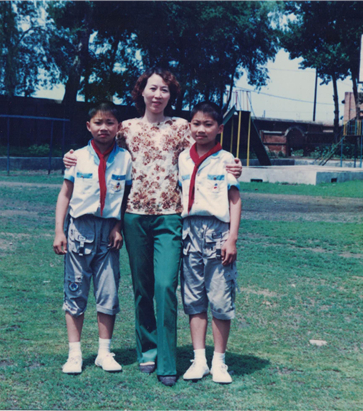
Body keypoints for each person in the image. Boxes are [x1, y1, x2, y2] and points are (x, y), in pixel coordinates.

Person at [64, 68, 242, 386]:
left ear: (170, 96)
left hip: (171, 217)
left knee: (164, 286)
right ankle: (148, 351)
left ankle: (168, 361)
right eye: (152, 89)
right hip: (133, 217)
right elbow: (99, 143)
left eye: (164, 90)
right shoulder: (125, 129)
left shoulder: (183, 128)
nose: (158, 95)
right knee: (143, 289)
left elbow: (209, 145)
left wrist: (236, 164)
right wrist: (71, 157)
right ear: (142, 92)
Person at [53, 102, 132, 375]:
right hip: (80, 230)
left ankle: (104, 352)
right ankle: (74, 354)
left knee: (108, 292)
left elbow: (125, 198)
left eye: (110, 122)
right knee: (75, 290)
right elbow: (65, 194)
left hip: (108, 232)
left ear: (118, 127)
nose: (104, 127)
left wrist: (118, 226)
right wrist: (59, 231)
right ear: (89, 126)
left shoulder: (125, 159)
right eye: (98, 122)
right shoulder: (77, 158)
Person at [178, 102, 241, 384]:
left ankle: (219, 361)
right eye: (196, 124)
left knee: (220, 297)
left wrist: (232, 238)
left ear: (220, 129)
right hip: (189, 231)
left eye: (208, 124)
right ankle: (199, 359)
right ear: (189, 126)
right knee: (194, 298)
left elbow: (235, 200)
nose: (201, 129)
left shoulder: (227, 159)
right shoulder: (182, 158)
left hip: (218, 232)